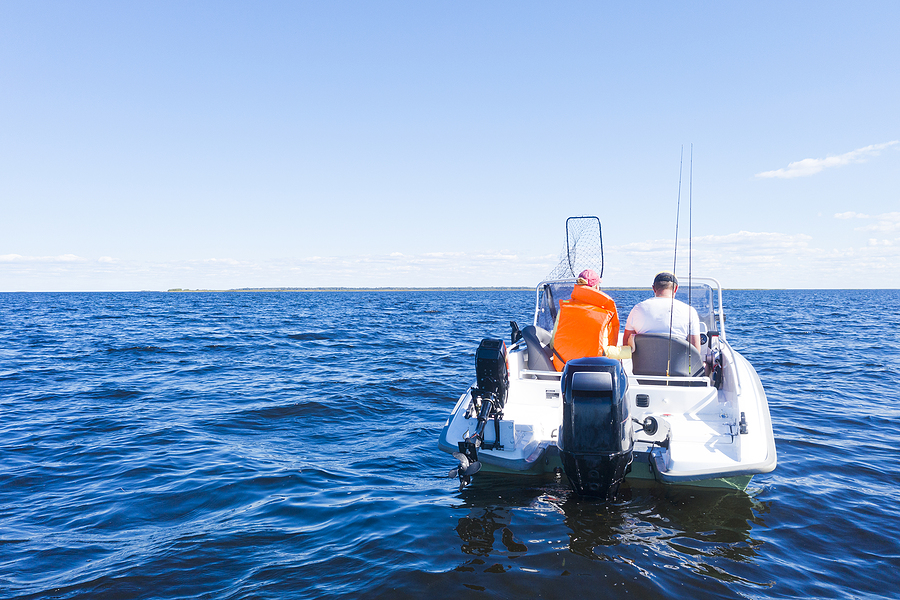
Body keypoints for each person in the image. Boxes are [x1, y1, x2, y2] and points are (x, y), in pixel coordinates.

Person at [549, 269, 619, 370]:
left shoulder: (564, 309)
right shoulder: (603, 314)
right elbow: (605, 350)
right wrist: (630, 351)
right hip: (594, 371)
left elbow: (553, 343)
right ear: (597, 288)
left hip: (564, 370)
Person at [622, 272, 701, 351]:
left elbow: (626, 345)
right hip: (677, 363)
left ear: (653, 288)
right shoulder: (690, 311)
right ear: (676, 288)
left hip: (644, 363)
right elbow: (696, 350)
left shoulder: (637, 309)